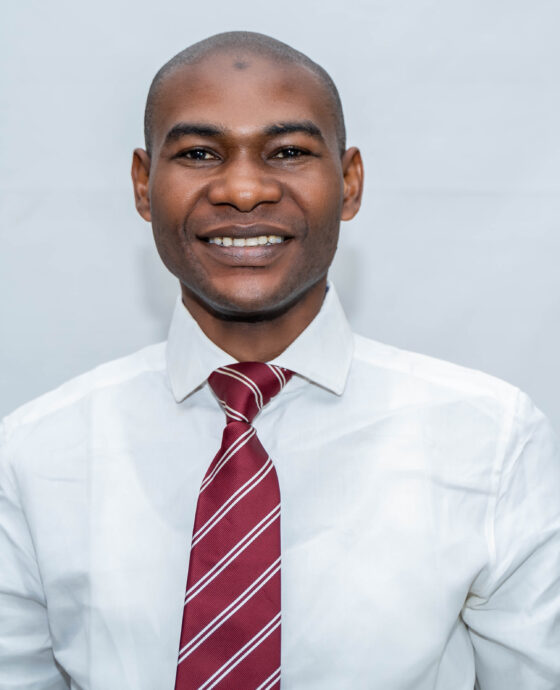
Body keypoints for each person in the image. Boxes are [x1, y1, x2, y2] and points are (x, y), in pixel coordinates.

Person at [0, 31, 558, 690]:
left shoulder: (492, 443)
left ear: (349, 182)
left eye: (289, 151)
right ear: (144, 185)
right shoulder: (33, 457)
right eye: (199, 153)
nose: (243, 190)